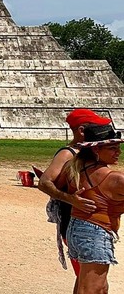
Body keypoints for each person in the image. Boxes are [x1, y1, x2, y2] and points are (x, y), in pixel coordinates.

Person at [38, 108, 111, 292]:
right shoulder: (68, 153)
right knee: (93, 284)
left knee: (90, 281)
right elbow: (44, 183)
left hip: (92, 223)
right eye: (96, 127)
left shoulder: (90, 152)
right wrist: (72, 199)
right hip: (76, 223)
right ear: (81, 130)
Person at [63, 123, 124, 294]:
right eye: (113, 148)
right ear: (97, 150)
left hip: (77, 228)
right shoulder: (115, 178)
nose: (118, 152)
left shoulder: (76, 168)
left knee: (96, 287)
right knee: (93, 289)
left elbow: (48, 183)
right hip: (95, 232)